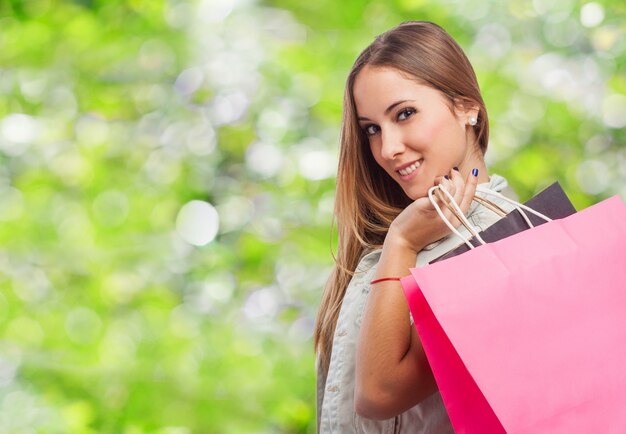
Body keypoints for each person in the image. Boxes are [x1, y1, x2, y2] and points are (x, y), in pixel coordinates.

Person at [313, 21, 519, 433]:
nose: (387, 149)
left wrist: (402, 243)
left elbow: (380, 395)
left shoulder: (500, 246)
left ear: (467, 107)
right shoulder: (398, 235)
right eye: (372, 129)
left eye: (404, 114)